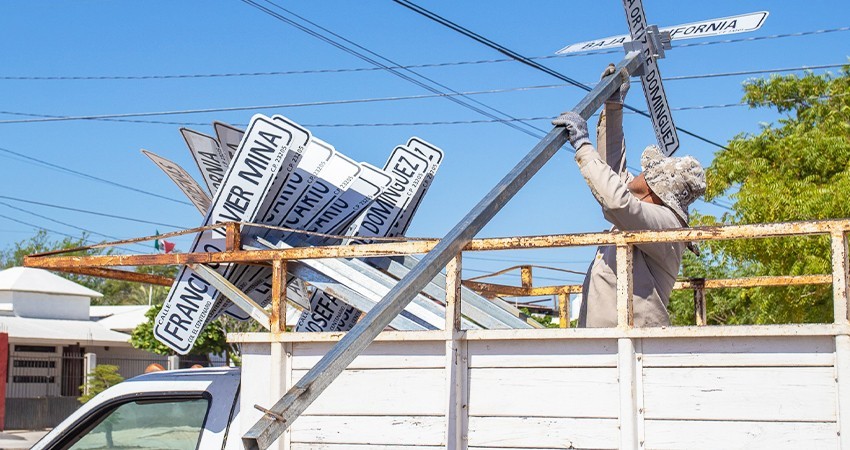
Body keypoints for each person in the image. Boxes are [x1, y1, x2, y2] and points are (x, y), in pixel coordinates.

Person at [552, 64, 706, 327]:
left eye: (646, 172)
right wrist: (613, 108)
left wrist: (583, 145)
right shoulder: (646, 215)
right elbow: (612, 172)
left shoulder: (667, 225)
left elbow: (616, 200)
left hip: (634, 347)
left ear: (655, 188)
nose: (638, 173)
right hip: (610, 345)